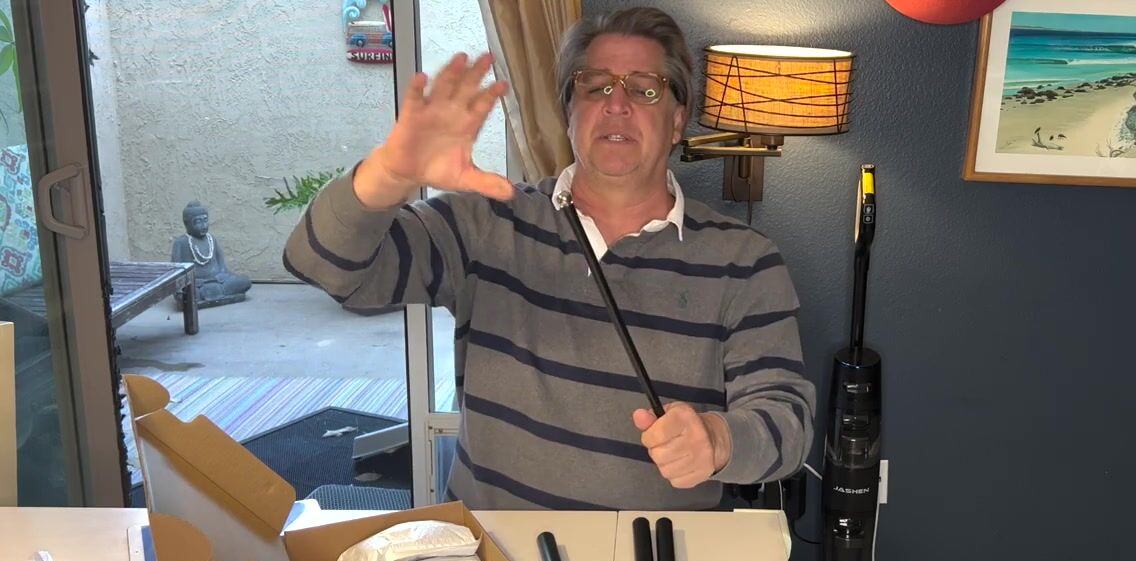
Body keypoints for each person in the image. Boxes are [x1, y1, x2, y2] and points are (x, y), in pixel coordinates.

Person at [284, 6, 814, 510]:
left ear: (677, 122)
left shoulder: (745, 260)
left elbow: (787, 420)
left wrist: (719, 439)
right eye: (595, 85)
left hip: (658, 552)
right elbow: (326, 267)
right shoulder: (487, 221)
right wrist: (389, 174)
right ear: (568, 112)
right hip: (493, 553)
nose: (617, 103)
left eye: (644, 89)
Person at [171, 200, 252, 306]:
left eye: (205, 220)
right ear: (187, 223)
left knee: (245, 281)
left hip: (218, 280)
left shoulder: (211, 239)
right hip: (196, 284)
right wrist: (180, 287)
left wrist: (222, 275)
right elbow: (176, 271)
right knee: (184, 294)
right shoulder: (181, 243)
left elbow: (222, 266)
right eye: (198, 222)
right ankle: (214, 292)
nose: (204, 225)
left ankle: (211, 292)